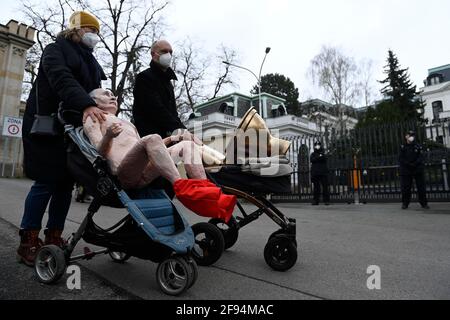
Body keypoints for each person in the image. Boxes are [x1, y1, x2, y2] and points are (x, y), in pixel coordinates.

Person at [18, 11, 107, 266]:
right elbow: (62, 79)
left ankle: (54, 237)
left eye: (97, 32)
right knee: (46, 181)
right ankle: (28, 240)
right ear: (76, 30)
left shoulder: (90, 61)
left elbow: (96, 91)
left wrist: (105, 108)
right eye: (91, 30)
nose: (95, 36)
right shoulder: (55, 50)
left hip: (75, 130)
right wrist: (87, 104)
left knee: (65, 185)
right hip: (48, 125)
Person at [84, 88, 235, 222]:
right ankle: (182, 188)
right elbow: (99, 152)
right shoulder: (92, 118)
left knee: (186, 145)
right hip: (124, 173)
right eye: (106, 94)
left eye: (113, 95)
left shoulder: (127, 123)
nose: (113, 97)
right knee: (153, 137)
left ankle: (206, 192)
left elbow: (151, 147)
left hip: (144, 168)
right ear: (93, 101)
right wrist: (109, 135)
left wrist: (171, 139)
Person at [132, 40, 186, 139]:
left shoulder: (168, 82)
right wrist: (180, 130)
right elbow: (156, 110)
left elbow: (173, 113)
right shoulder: (144, 78)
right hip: (150, 138)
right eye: (164, 51)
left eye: (170, 52)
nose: (168, 55)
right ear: (153, 54)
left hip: (166, 137)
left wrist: (183, 130)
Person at [399, 131, 430, 210]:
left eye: (413, 135)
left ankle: (424, 203)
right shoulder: (402, 146)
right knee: (406, 188)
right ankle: (405, 203)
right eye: (410, 135)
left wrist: (415, 163)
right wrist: (408, 164)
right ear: (406, 136)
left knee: (421, 187)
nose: (411, 137)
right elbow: (401, 158)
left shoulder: (417, 146)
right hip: (406, 169)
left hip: (417, 169)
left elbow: (421, 156)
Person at [310, 141, 330, 206]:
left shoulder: (323, 153)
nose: (317, 146)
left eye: (318, 145)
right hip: (315, 173)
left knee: (325, 187)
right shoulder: (312, 154)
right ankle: (315, 201)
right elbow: (312, 160)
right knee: (316, 188)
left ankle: (326, 201)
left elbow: (324, 158)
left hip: (323, 172)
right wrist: (319, 157)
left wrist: (318, 157)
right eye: (316, 145)